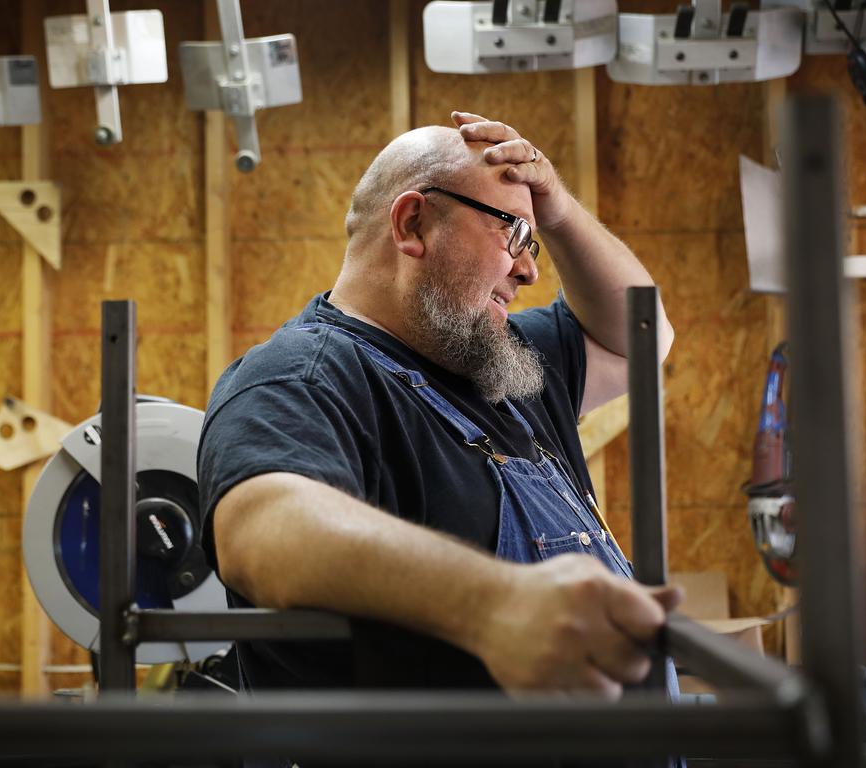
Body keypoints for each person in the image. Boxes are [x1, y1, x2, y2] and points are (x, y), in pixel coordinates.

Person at [196, 111, 682, 698]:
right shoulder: (304, 376)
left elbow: (643, 335)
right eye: (514, 235)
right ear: (413, 224)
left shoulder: (498, 366)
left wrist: (555, 208)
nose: (529, 269)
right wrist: (495, 604)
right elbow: (261, 530)